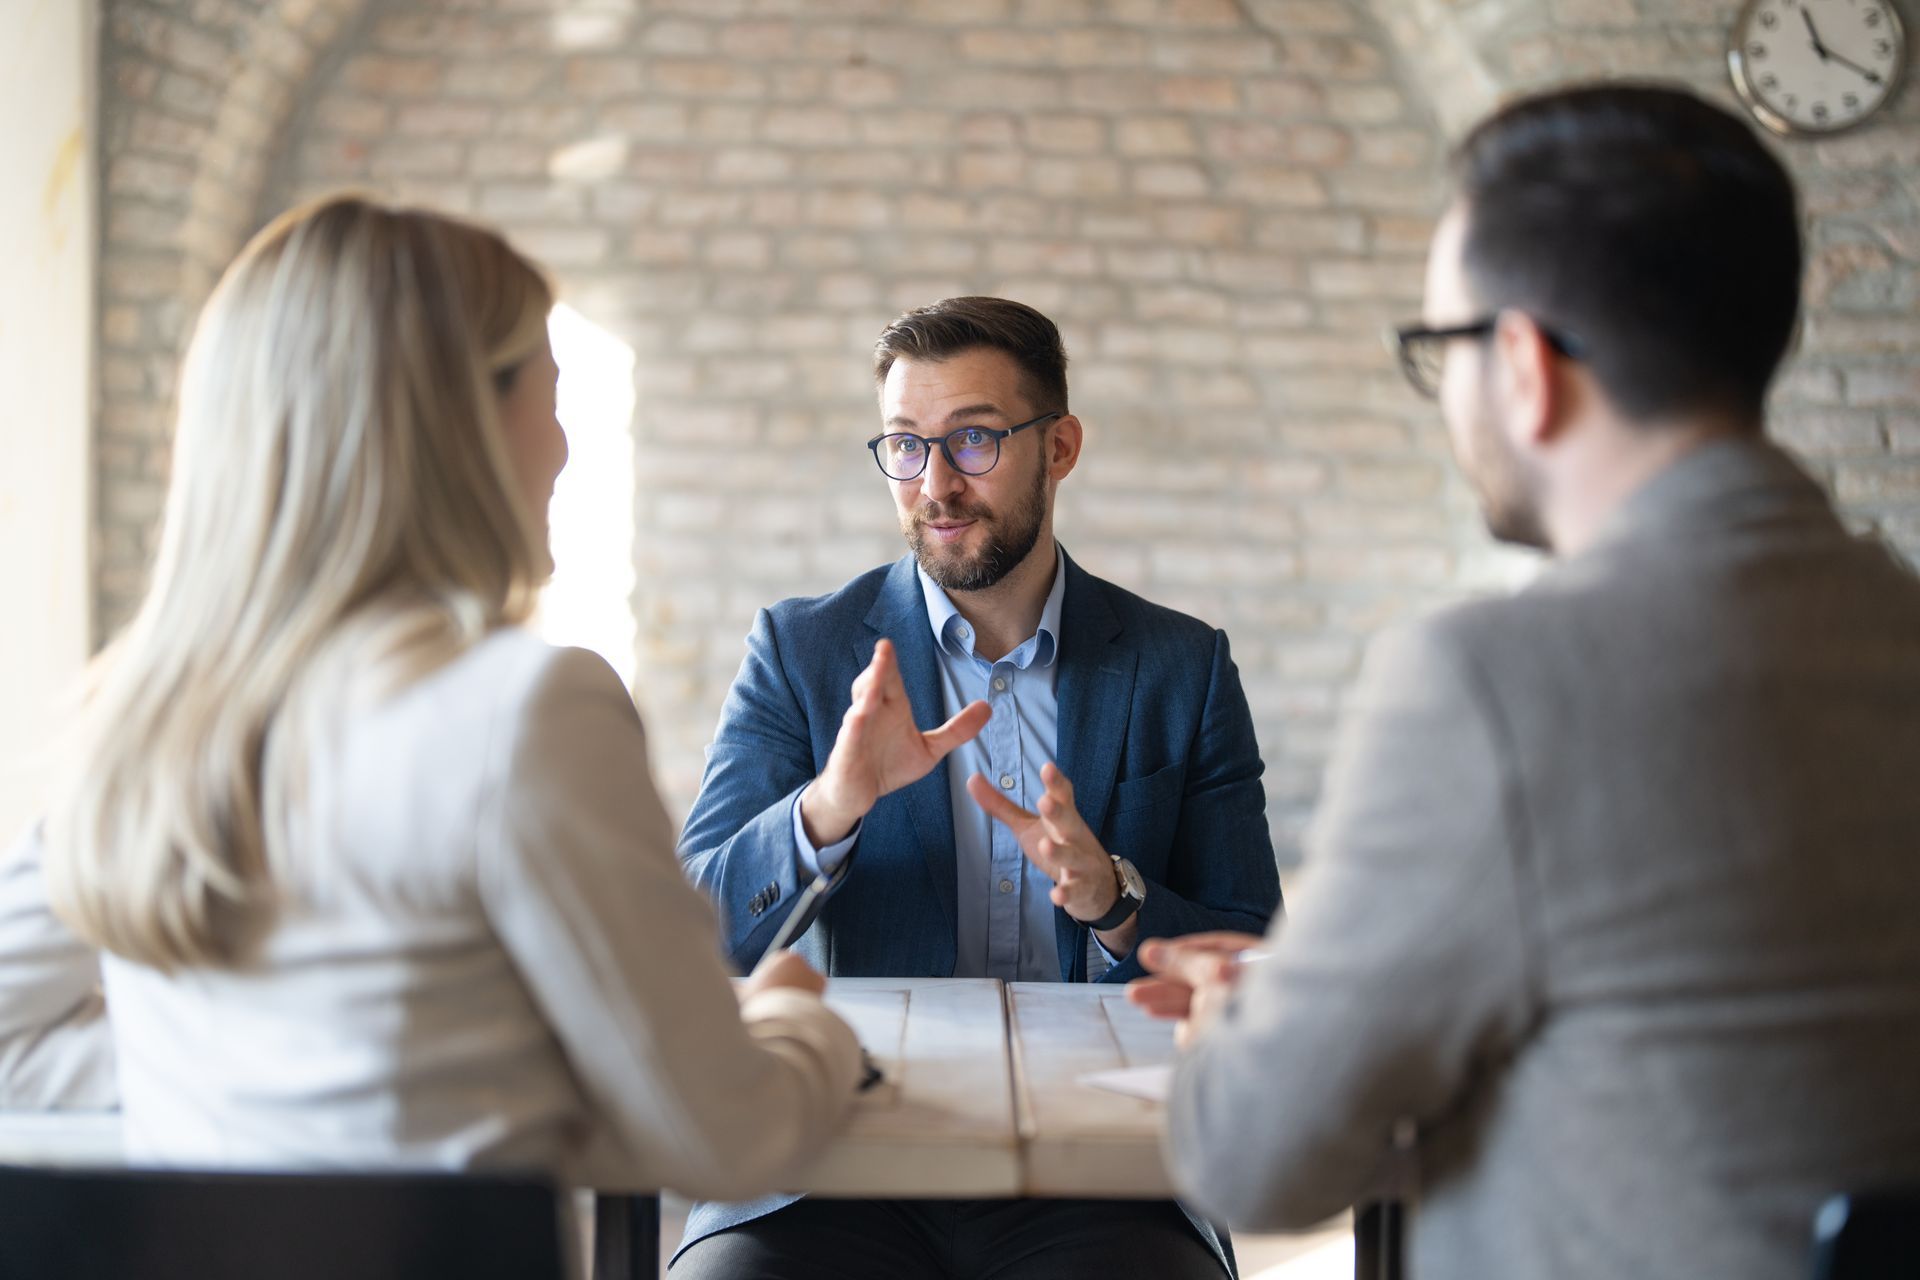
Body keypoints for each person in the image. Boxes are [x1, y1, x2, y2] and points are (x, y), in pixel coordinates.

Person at [1133, 82, 1920, 1280]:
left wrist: (1241, 1020)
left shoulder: (1486, 684)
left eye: (1438, 349)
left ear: (1522, 364)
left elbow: (1253, 1157)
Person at [0, 195, 865, 1202]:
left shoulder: (145, 721)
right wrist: (801, 1015)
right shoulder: (526, 711)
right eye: (550, 396)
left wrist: (265, 1076)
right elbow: (727, 1136)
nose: (567, 449)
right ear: (461, 427)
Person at [671, 296, 1281, 1278]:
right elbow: (691, 934)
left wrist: (1115, 901)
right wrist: (829, 808)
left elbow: (1249, 953)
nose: (936, 483)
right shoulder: (800, 651)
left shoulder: (1182, 667)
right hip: (828, 1162)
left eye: (976, 439)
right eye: (906, 446)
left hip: (1104, 1172)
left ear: (1062, 446)